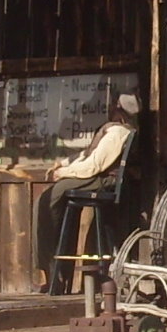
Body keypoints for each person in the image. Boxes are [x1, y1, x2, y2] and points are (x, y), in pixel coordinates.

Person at [38, 92, 140, 292]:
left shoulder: (117, 132)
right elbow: (88, 153)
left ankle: (51, 270)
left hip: (100, 180)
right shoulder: (114, 130)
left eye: (113, 105)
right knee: (55, 199)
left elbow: (94, 165)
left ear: (118, 110)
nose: (109, 107)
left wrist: (64, 172)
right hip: (95, 178)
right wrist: (65, 163)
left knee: (47, 200)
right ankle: (56, 272)